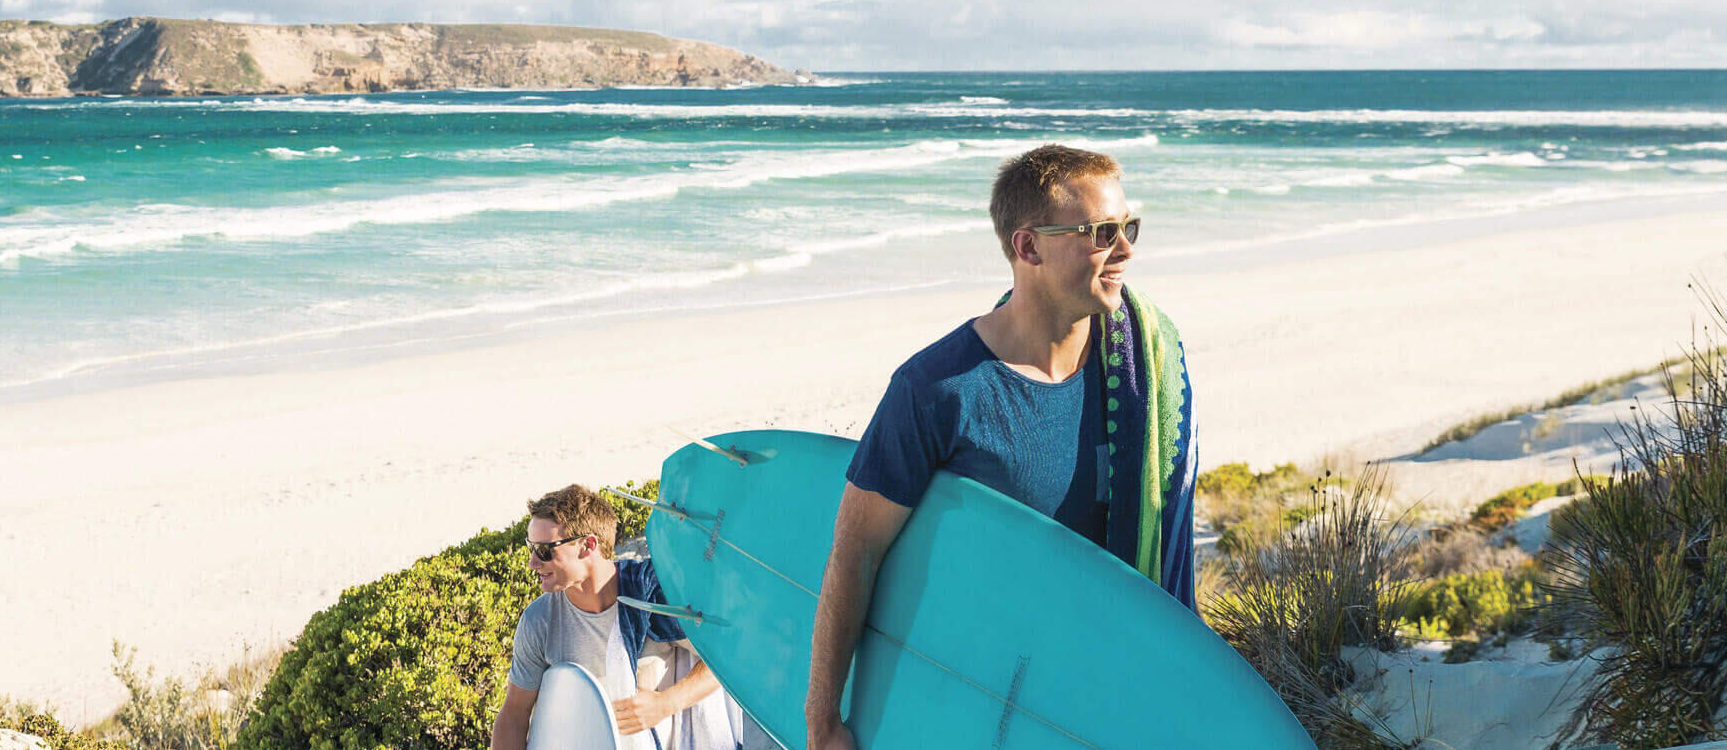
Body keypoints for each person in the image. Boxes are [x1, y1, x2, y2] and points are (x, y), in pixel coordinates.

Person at [802, 144, 1199, 750]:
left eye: (1128, 228)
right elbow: (856, 551)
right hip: (985, 705)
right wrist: (823, 722)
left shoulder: (1147, 373)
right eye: (1102, 233)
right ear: (1029, 246)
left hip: (1104, 696)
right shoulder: (936, 390)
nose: (1125, 250)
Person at [491, 484, 746, 750]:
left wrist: (665, 704)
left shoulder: (650, 595)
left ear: (587, 545)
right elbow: (514, 715)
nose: (532, 562)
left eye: (545, 551)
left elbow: (723, 659)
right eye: (530, 548)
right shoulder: (539, 621)